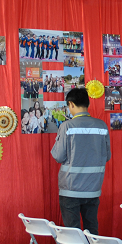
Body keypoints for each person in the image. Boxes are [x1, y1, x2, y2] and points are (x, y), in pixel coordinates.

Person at [51, 88, 111, 235]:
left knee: (73, 234)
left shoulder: (67, 126)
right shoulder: (102, 125)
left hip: (70, 188)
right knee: (92, 231)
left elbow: (58, 156)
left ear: (71, 104)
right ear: (87, 103)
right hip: (93, 188)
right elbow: (107, 156)